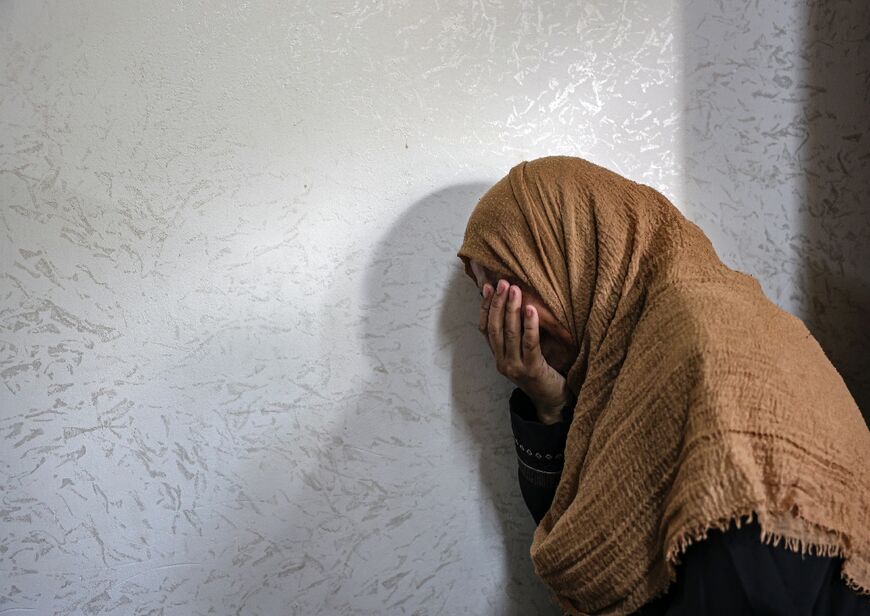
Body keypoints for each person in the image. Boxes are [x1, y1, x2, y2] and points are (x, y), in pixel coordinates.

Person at [456, 156, 870, 615]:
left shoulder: (703, 343)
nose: (495, 322)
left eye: (505, 289)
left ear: (573, 259)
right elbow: (576, 525)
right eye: (483, 296)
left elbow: (751, 579)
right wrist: (548, 400)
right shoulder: (627, 358)